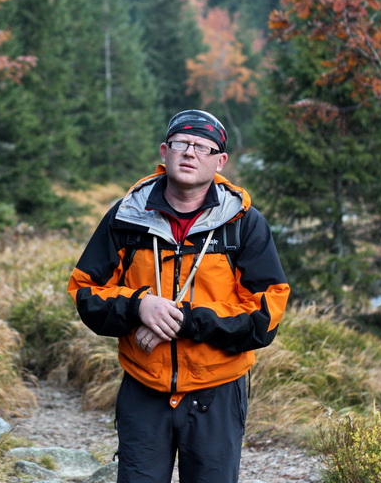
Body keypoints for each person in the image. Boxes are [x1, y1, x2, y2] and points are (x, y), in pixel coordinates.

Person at [67, 109, 290, 483]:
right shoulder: (126, 216)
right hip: (144, 388)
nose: (189, 153)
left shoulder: (243, 224)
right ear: (164, 151)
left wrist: (183, 320)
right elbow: (85, 291)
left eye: (202, 147)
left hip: (216, 391)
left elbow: (265, 316)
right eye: (181, 144)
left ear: (219, 162)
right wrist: (140, 306)